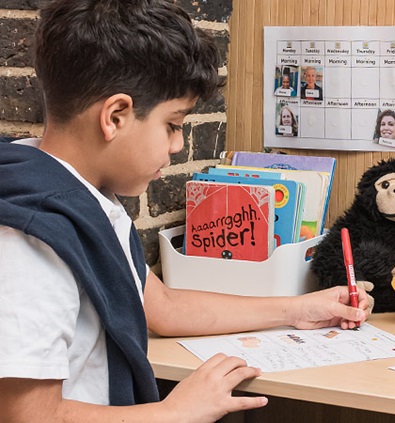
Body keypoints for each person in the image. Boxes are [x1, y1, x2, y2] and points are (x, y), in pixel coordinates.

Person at [0, 1, 370, 422]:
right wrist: (175, 412)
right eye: (173, 125)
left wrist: (297, 309)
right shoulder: (28, 240)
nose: (177, 146)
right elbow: (27, 416)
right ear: (115, 116)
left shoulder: (82, 193)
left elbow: (163, 306)